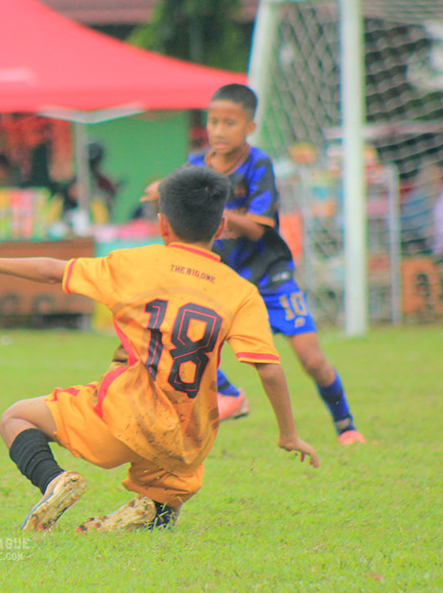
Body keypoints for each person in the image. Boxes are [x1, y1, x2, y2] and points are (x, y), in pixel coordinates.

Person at [0, 166, 318, 532]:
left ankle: (55, 481)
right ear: (222, 228)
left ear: (162, 225)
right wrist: (288, 434)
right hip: (187, 437)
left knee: (15, 418)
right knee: (169, 492)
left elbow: (52, 271)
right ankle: (153, 509)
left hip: (124, 418)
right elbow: (268, 368)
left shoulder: (135, 264)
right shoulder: (241, 293)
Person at [143, 83, 365, 445]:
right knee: (181, 334)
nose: (218, 130)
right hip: (224, 279)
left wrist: (212, 209)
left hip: (271, 276)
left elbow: (259, 229)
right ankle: (229, 395)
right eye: (213, 121)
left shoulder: (259, 164)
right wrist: (163, 192)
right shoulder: (197, 164)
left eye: (229, 122)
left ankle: (347, 427)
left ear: (250, 126)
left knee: (311, 359)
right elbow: (179, 192)